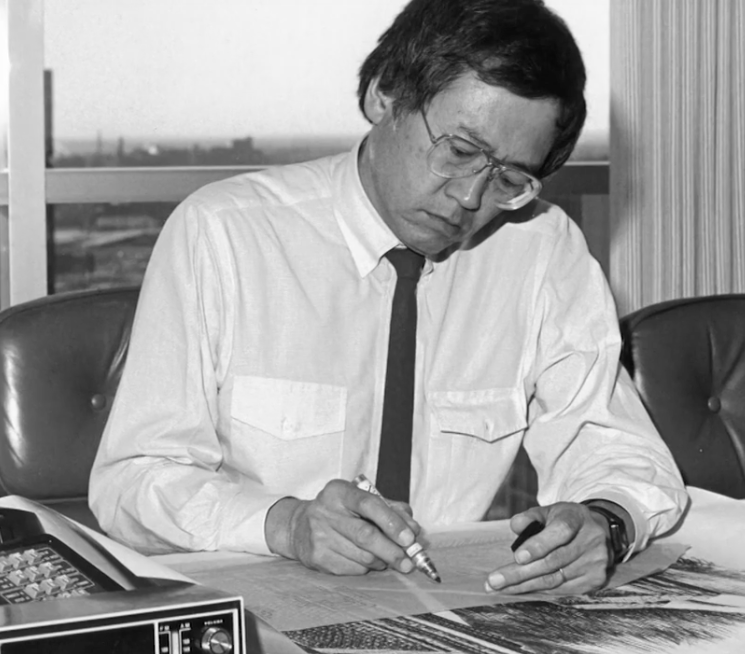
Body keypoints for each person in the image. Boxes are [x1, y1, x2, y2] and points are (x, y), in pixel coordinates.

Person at [89, 0, 688, 596]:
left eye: (509, 179)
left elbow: (614, 446)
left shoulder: (541, 248)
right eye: (458, 151)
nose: (469, 198)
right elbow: (132, 482)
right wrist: (284, 523)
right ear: (384, 94)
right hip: (259, 605)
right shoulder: (224, 233)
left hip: (459, 608)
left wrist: (605, 522)